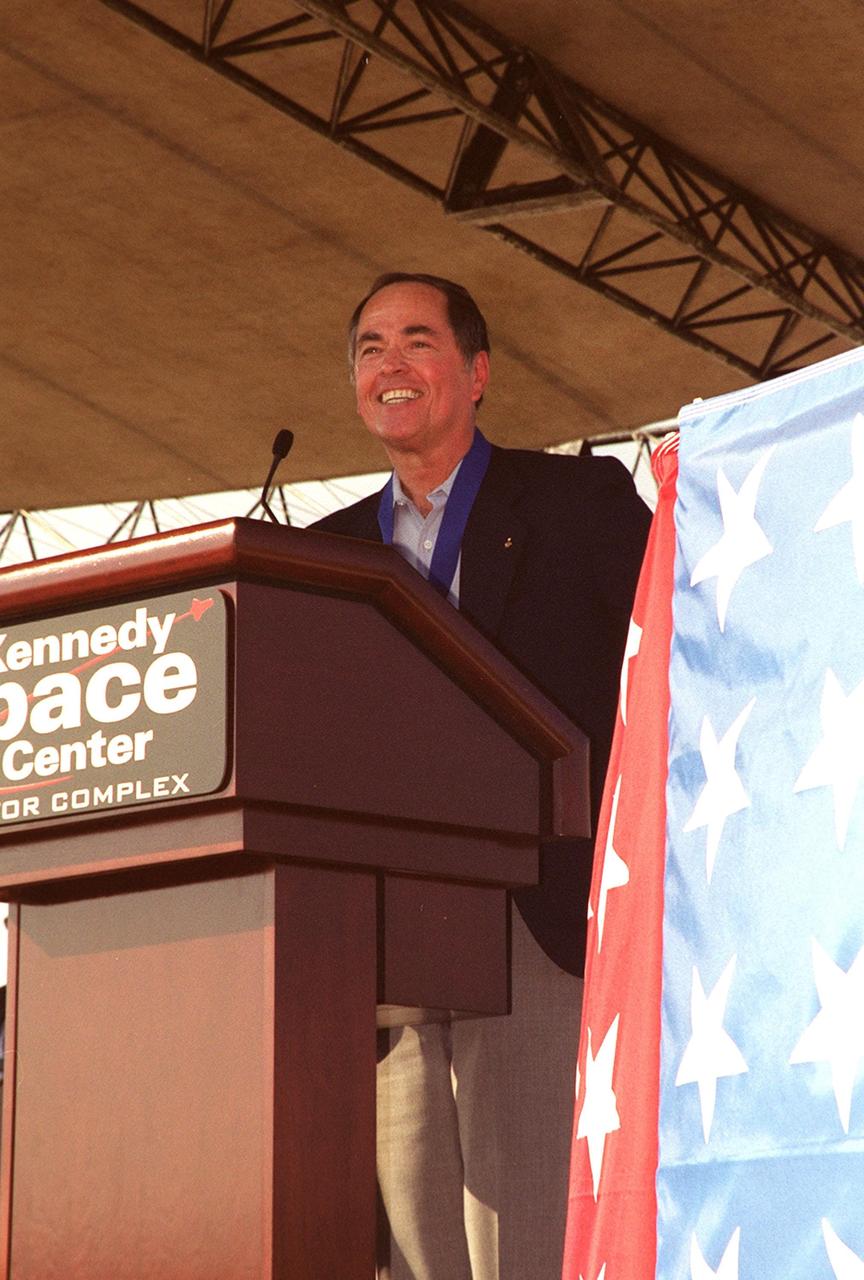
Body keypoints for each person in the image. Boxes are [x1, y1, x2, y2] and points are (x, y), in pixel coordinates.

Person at [312, 273, 651, 1280]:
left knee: (529, 1234)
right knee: (417, 1238)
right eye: (369, 347)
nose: (390, 364)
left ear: (476, 371)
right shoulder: (320, 555)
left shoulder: (575, 503)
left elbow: (660, 663)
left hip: (536, 911)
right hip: (389, 942)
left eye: (417, 340)